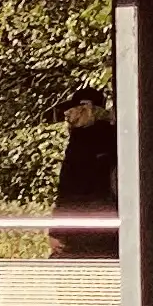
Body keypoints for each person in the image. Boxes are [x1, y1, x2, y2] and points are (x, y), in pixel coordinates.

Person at [49, 84, 117, 257]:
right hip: (111, 223)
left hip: (79, 225)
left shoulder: (80, 142)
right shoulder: (116, 138)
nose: (68, 116)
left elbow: (69, 188)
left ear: (86, 108)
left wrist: (56, 230)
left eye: (72, 110)